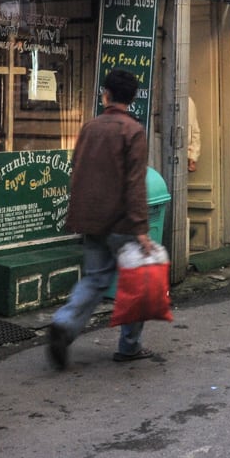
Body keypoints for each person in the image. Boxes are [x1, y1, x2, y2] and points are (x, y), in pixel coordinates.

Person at [46, 69, 158, 368]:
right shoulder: (133, 131)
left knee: (95, 279)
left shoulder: (90, 127)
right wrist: (141, 228)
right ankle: (129, 346)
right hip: (123, 222)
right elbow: (135, 183)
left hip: (91, 219)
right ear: (132, 98)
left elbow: (76, 169)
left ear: (105, 94)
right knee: (135, 284)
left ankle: (64, 323)